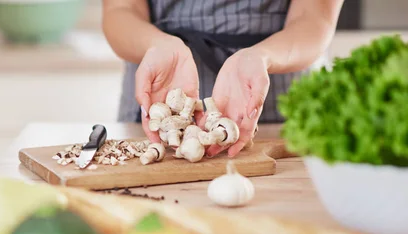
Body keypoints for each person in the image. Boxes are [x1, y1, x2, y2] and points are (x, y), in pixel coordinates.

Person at [102, 0, 345, 157]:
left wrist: (262, 56)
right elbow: (120, 10)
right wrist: (156, 44)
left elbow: (315, 17)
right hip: (162, 85)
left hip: (283, 99)